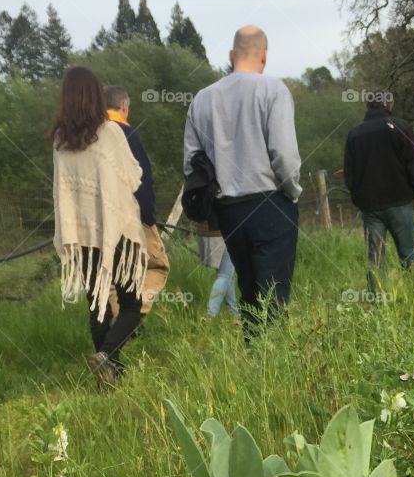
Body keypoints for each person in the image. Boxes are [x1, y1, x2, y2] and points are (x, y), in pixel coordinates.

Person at [183, 25, 300, 332]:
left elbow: (191, 164)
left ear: (231, 55)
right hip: (271, 201)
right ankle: (272, 365)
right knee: (274, 292)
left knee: (248, 290)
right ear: (264, 56)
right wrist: (292, 191)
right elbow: (284, 155)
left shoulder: (201, 99)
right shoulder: (274, 90)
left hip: (228, 209)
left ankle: (253, 360)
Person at [51, 66, 146, 388]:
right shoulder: (110, 133)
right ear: (95, 95)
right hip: (115, 230)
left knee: (98, 301)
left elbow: (61, 190)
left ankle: (110, 373)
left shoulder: (61, 140)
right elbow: (132, 177)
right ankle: (107, 356)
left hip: (82, 235)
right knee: (132, 305)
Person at [104, 85, 171, 321]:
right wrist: (149, 217)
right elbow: (142, 177)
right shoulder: (126, 132)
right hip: (133, 215)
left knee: (112, 274)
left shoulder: (92, 134)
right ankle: (131, 315)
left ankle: (118, 320)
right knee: (157, 266)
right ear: (123, 107)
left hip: (102, 219)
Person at [343, 94, 414, 293]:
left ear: (368, 106)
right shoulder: (401, 127)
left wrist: (358, 198)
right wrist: (413, 189)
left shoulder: (354, 134)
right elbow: (413, 162)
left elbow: (349, 172)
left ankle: (376, 302)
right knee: (408, 255)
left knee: (375, 259)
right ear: (388, 105)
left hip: (370, 207)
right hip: (399, 201)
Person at [195, 215, 239, 318]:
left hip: (203, 232)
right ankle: (210, 316)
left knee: (228, 274)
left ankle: (234, 313)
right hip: (222, 233)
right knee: (224, 275)